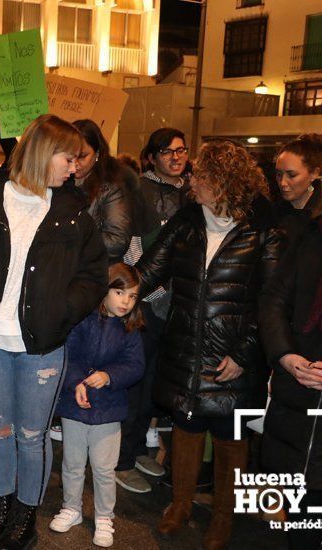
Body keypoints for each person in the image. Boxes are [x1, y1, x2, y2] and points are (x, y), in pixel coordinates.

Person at [0, 114, 108, 550]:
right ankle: (0, 506)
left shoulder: (73, 212)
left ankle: (24, 516)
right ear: (42, 152)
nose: (74, 167)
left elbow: (93, 276)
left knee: (32, 436)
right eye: (68, 157)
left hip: (41, 344)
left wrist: (61, 311)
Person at [135, 140, 283, 549]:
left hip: (235, 357)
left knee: (230, 437)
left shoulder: (263, 230)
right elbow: (150, 269)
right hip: (186, 345)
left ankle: (223, 517)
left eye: (200, 175)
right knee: (185, 427)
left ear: (224, 181)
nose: (191, 180)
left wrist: (245, 352)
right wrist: (119, 291)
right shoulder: (187, 220)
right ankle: (180, 505)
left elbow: (272, 300)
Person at [259, 137, 322, 550]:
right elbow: (272, 300)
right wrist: (284, 355)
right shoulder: (314, 235)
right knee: (301, 526)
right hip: (300, 410)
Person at [114, 127, 192, 495]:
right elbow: (130, 247)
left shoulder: (193, 192)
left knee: (155, 382)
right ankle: (122, 459)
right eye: (167, 151)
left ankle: (137, 451)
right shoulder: (138, 191)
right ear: (151, 157)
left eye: (181, 150)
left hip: (179, 305)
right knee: (135, 379)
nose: (176, 157)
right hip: (144, 299)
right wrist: (150, 290)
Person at [49, 263, 145, 548]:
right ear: (104, 291)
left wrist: (110, 376)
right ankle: (72, 508)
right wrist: (77, 381)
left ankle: (104, 516)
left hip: (109, 409)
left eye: (132, 296)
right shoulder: (83, 319)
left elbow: (136, 365)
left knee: (104, 468)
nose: (125, 302)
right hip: (75, 404)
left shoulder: (131, 328)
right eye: (119, 292)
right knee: (73, 463)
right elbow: (67, 354)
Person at [69, 120, 136, 263]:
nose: (75, 164)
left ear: (97, 153)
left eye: (82, 156)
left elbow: (118, 241)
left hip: (94, 271)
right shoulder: (58, 181)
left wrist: (69, 237)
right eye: (70, 156)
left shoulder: (110, 187)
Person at [274, 133, 322, 244]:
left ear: (314, 173)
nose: (283, 183)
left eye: (292, 175)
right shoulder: (271, 212)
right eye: (279, 174)